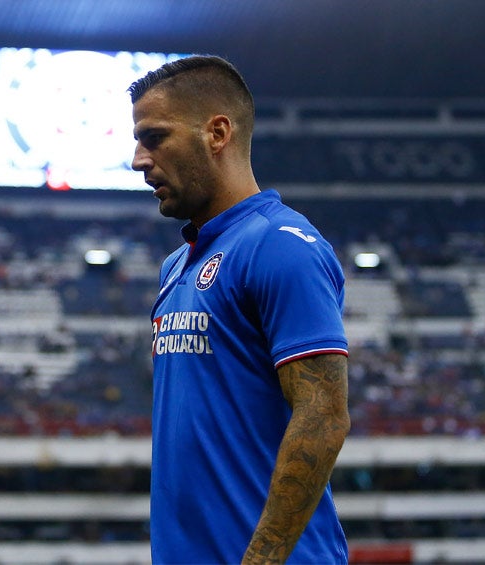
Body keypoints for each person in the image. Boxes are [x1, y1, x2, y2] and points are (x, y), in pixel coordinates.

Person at [129, 55, 351, 564]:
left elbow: (324, 415)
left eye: (155, 137)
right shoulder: (175, 267)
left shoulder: (280, 245)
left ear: (218, 133)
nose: (139, 159)